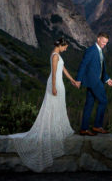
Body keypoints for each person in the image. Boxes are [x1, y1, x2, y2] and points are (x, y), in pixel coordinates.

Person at [12, 37, 81, 172]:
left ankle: (55, 130)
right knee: (51, 107)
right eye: (65, 46)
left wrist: (73, 80)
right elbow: (54, 73)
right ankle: (51, 132)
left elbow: (63, 68)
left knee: (58, 107)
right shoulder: (55, 56)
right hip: (55, 84)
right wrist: (54, 87)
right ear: (60, 45)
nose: (66, 48)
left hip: (60, 84)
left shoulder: (57, 55)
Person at [76, 32, 112, 135]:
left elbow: (101, 69)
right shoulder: (91, 50)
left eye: (106, 43)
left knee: (89, 104)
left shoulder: (100, 51)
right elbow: (83, 65)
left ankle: (84, 129)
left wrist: (107, 79)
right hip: (94, 82)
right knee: (103, 101)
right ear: (98, 39)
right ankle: (97, 126)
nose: (104, 44)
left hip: (94, 82)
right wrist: (78, 80)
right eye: (103, 42)